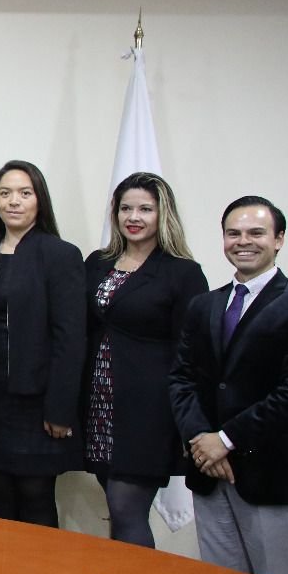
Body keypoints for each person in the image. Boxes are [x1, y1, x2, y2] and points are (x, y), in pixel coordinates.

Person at [171, 196, 288, 574]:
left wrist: (225, 440)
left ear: (279, 239)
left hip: (270, 473)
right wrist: (201, 440)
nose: (243, 241)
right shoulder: (203, 305)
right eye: (233, 233)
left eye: (256, 232)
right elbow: (181, 379)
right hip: (208, 471)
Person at [0, 160, 85, 527]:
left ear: (39, 200)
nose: (14, 201)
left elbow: (70, 338)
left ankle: (40, 568)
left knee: (35, 493)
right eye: (5, 193)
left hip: (37, 403)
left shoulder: (60, 255)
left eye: (24, 193)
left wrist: (60, 408)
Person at [83, 172, 208, 547]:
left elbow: (193, 352)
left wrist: (190, 420)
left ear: (162, 214)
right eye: (126, 209)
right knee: (114, 505)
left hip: (149, 411)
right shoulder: (98, 262)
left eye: (145, 209)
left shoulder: (182, 272)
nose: (133, 217)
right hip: (98, 405)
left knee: (127, 510)